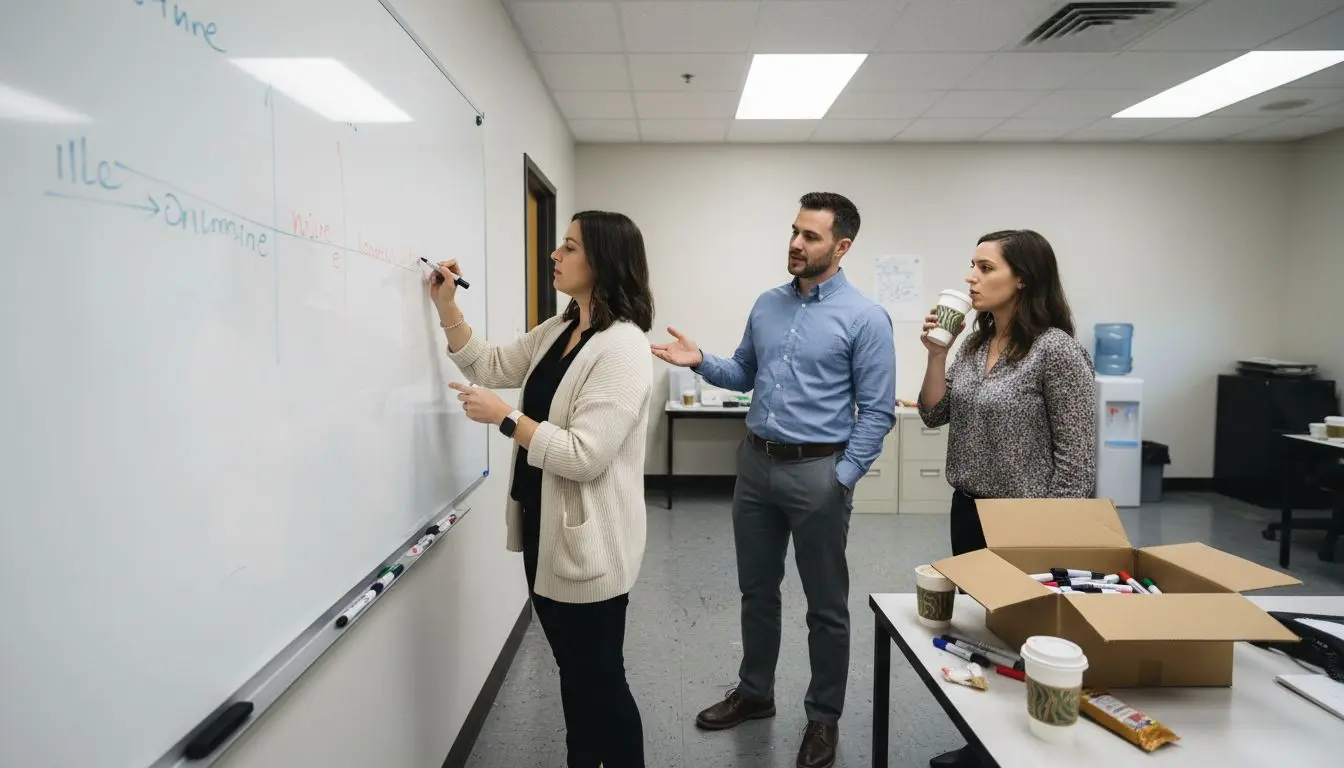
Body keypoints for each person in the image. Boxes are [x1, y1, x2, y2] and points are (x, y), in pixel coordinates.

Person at [652, 192, 896, 768]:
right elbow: (743, 373)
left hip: (818, 473)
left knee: (825, 606)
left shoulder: (865, 317)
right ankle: (755, 692)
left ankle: (823, 718)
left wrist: (841, 478)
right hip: (756, 467)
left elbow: (877, 411)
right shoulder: (767, 304)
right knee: (756, 592)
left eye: (810, 236)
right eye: (794, 231)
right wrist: (700, 360)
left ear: (841, 247)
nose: (795, 243)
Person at [431, 210, 655, 768]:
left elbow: (584, 455)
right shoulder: (560, 329)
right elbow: (491, 365)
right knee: (575, 674)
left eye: (570, 247)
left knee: (601, 681)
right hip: (544, 530)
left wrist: (507, 419)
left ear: (604, 262)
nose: (555, 254)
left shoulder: (623, 349)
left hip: (591, 546)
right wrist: (447, 307)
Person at [917, 229, 1097, 768]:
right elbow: (933, 413)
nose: (970, 277)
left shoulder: (1055, 351)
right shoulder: (974, 344)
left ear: (1022, 278)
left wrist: (1054, 537)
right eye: (971, 265)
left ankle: (1028, 750)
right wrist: (937, 354)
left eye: (985, 267)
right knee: (981, 633)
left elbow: (1078, 458)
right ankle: (983, 745)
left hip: (1026, 521)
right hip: (969, 508)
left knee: (1029, 639)